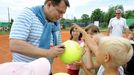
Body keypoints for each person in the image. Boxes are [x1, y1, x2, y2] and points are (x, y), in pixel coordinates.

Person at [9, 0, 70, 75]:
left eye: (63, 13)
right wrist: (47, 53)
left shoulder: (56, 24)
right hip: (25, 72)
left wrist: (71, 54)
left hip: (46, 71)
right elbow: (15, 45)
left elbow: (58, 46)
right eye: (59, 11)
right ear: (49, 4)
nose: (61, 16)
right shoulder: (28, 14)